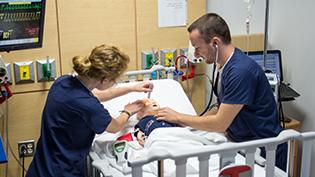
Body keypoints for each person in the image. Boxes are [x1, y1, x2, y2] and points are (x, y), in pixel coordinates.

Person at [155, 13, 287, 171]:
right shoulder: (223, 66)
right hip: (244, 144)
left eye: (197, 48)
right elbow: (221, 107)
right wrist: (190, 126)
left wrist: (178, 116)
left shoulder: (240, 71)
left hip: (265, 150)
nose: (196, 55)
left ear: (215, 43)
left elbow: (220, 123)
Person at [26, 44, 153, 177]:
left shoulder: (63, 82)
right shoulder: (89, 106)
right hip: (63, 170)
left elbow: (98, 94)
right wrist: (128, 111)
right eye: (115, 81)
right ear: (105, 79)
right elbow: (115, 126)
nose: (114, 83)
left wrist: (132, 88)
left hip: (41, 166)